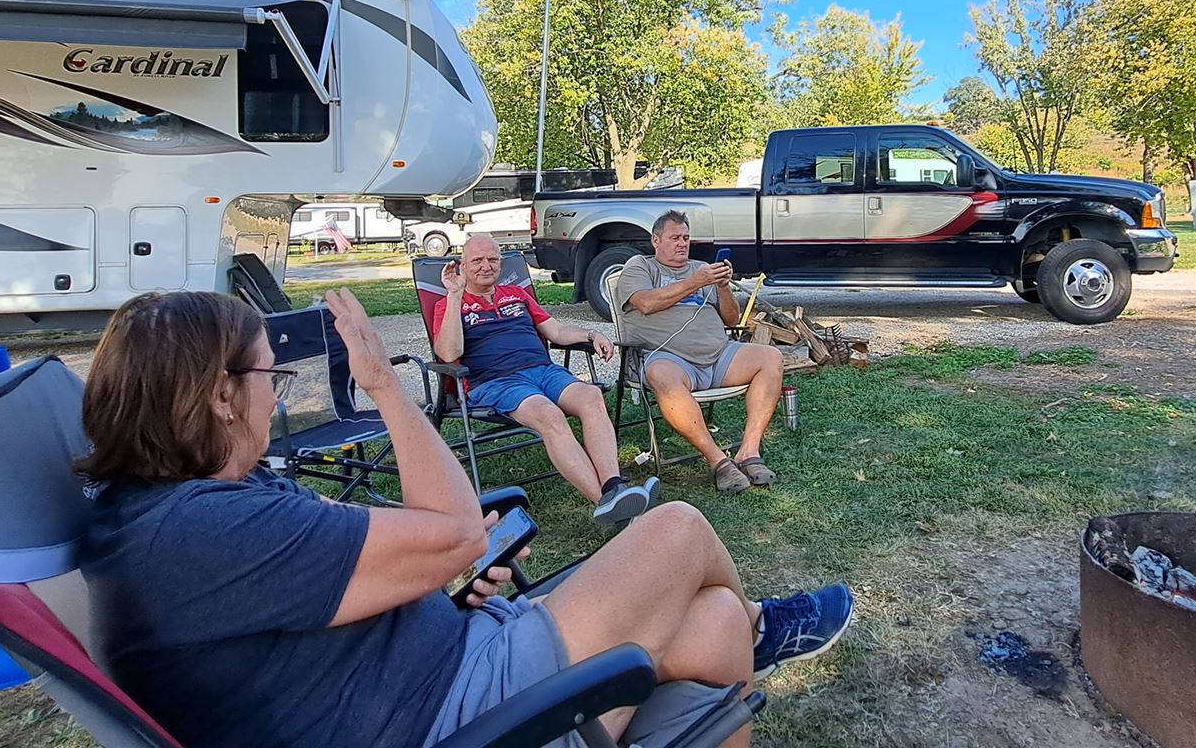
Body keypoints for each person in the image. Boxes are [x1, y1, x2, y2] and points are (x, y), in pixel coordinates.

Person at [77, 288, 855, 748]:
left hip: (456, 658)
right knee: (677, 529)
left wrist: (440, 588)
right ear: (220, 396)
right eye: (267, 377)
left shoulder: (193, 507)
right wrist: (385, 385)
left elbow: (363, 573)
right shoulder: (196, 532)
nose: (274, 394)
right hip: (450, 714)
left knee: (712, 623)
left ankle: (745, 625)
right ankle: (762, 626)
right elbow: (452, 533)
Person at [429, 234, 651, 525]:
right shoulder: (449, 304)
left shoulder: (517, 294)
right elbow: (449, 353)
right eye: (477, 260)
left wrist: (592, 334)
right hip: (497, 382)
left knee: (591, 397)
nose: (486, 266)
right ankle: (605, 503)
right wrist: (455, 295)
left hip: (543, 371)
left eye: (493, 259)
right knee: (549, 415)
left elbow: (556, 331)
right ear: (463, 265)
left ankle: (614, 487)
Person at [614, 211, 787, 495]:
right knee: (661, 375)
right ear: (656, 240)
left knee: (771, 357)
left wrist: (722, 286)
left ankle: (748, 451)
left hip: (719, 355)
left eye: (686, 237)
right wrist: (696, 282)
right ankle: (719, 461)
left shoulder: (701, 268)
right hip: (670, 358)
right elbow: (645, 304)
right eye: (674, 238)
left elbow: (732, 319)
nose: (682, 243)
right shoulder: (641, 266)